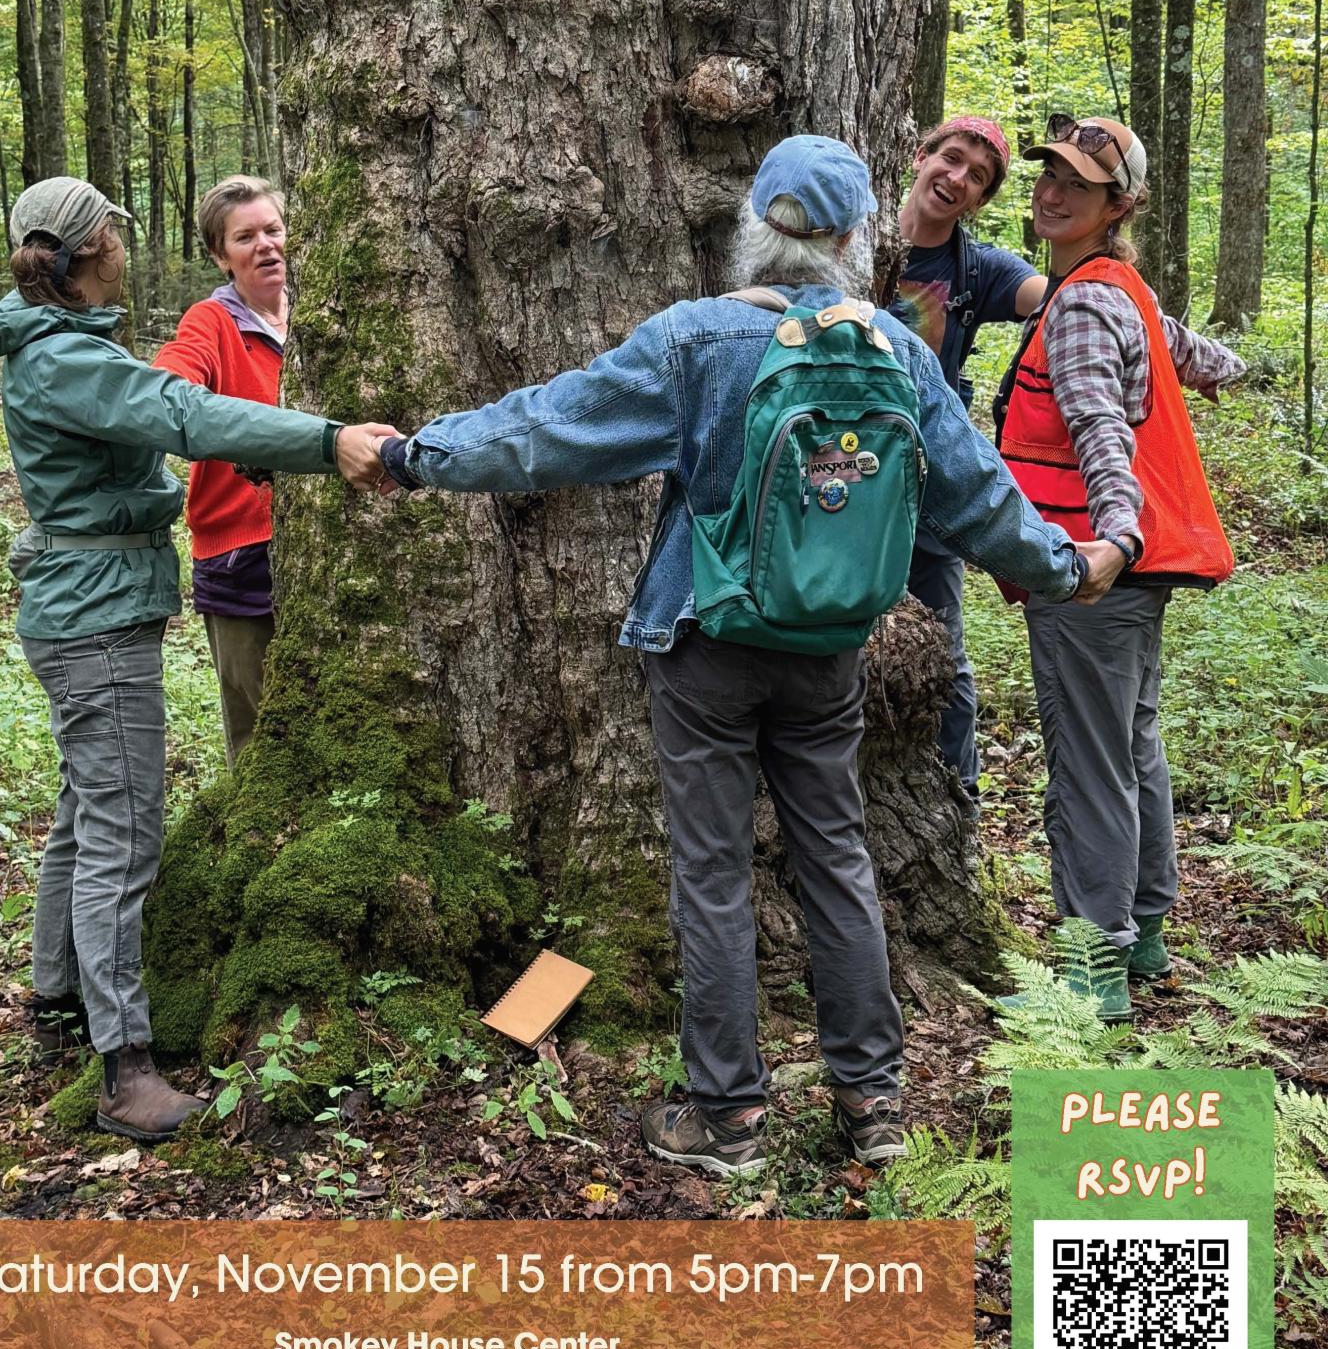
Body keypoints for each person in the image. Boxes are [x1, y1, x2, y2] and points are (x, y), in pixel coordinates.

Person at [349, 136, 1121, 1176]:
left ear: (755, 226)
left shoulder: (695, 340)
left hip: (705, 642)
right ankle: (872, 1100)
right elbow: (981, 499)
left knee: (712, 874)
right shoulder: (895, 352)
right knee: (839, 860)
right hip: (830, 647)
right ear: (856, 241)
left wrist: (413, 454)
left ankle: (728, 1116)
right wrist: (1072, 566)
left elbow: (546, 429)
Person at [0, 176, 382, 1142]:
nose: (126, 244)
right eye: (116, 233)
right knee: (122, 836)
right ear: (91, 252)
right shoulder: (68, 362)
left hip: (84, 606)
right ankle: (126, 1069)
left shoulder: (58, 348)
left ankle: (54, 998)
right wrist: (326, 441)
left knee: (85, 818)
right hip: (95, 621)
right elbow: (185, 413)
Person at [994, 116, 1244, 1020]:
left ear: (1119, 205)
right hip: (1129, 574)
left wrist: (1113, 538)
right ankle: (1143, 932)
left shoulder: (1086, 302)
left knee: (1091, 762)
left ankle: (1091, 971)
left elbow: (1100, 428)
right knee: (1132, 743)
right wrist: (1227, 368)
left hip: (1094, 569)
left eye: (1079, 186)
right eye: (1049, 175)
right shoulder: (1117, 288)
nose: (1052, 193)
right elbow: (1190, 348)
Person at [892, 117, 1047, 796]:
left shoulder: (975, 270)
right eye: (950, 159)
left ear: (981, 200)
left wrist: (1155, 330)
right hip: (828, 491)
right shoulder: (849, 236)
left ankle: (958, 803)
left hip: (925, 497)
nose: (957, 178)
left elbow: (1065, 297)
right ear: (920, 156)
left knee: (943, 659)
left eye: (977, 177)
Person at [153, 176, 291, 765]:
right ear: (220, 254)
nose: (265, 246)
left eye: (273, 230)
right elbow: (168, 384)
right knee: (260, 732)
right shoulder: (212, 322)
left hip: (329, 548)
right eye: (245, 237)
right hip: (239, 551)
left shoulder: (327, 312)